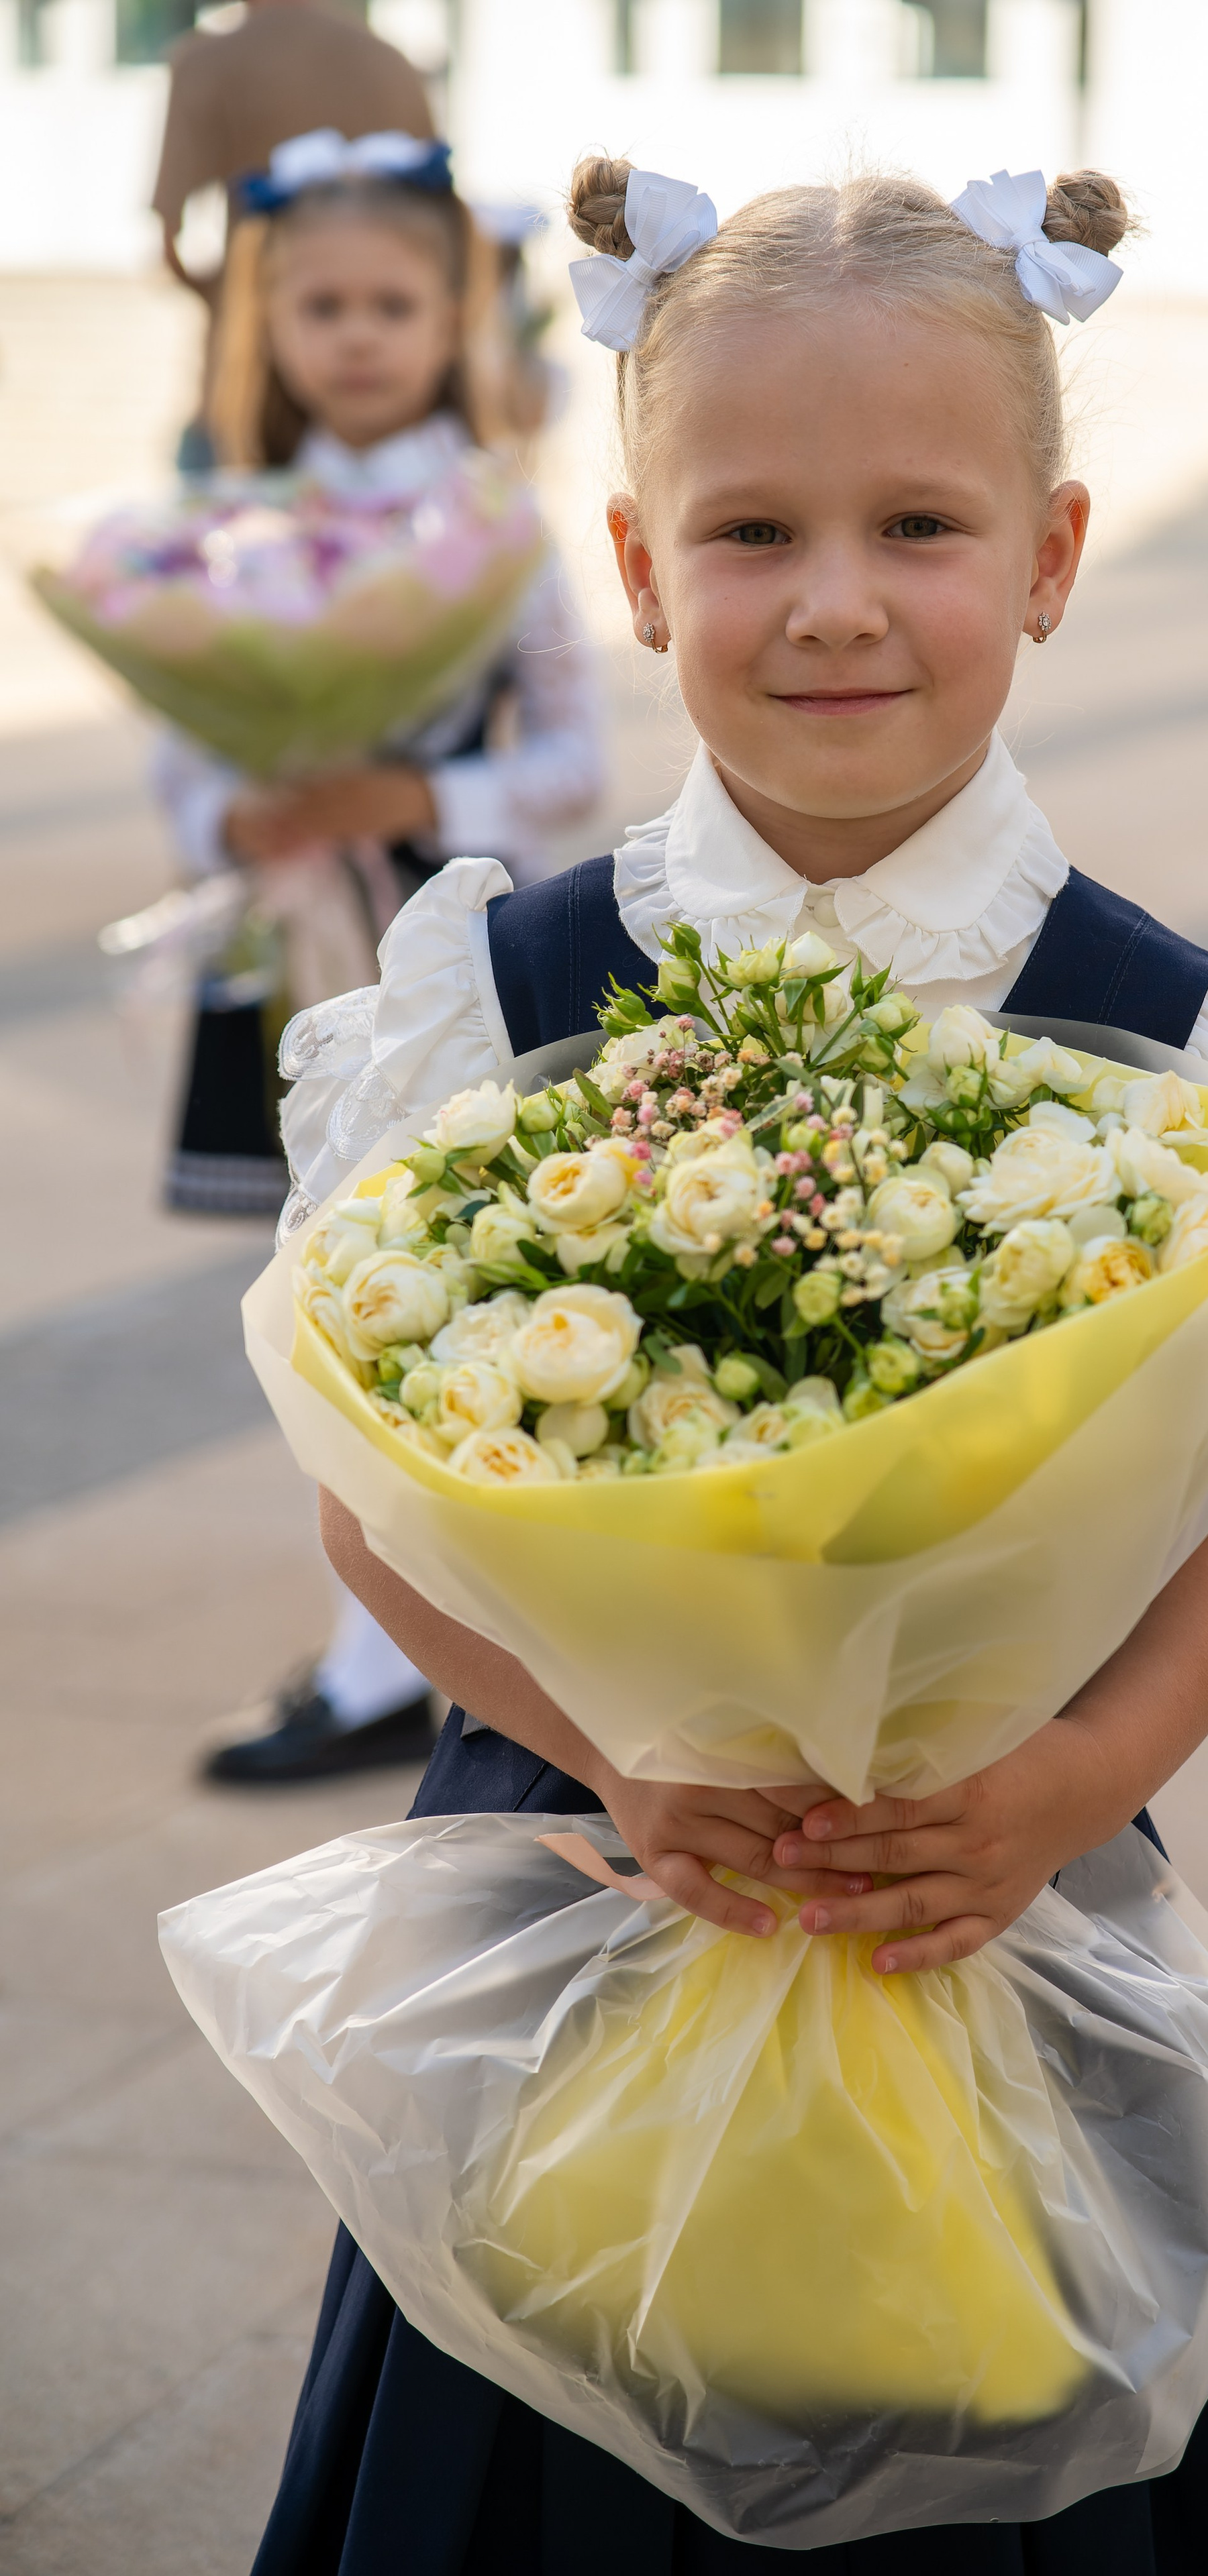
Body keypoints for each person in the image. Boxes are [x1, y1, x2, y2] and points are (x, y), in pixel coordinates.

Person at [250, 156, 1208, 2570]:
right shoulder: (489, 997)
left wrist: (1059, 1784)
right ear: (634, 562)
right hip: (591, 1861)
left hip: (986, 1871)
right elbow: (374, 1500)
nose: (833, 603)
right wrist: (624, 1753)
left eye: (916, 526)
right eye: (751, 533)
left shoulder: (1173, 1040)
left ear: (1050, 555)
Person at [171, 133, 607, 1784]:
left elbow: (573, 757)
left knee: (435, 1273)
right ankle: (380, 1649)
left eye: (392, 304)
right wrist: (241, 809)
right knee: (317, 1278)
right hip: (299, 926)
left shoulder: (490, 518)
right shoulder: (228, 522)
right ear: (266, 325)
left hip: (448, 939)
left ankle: (424, 1652)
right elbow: (180, 762)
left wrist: (415, 794)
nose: (356, 337)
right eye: (322, 307)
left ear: (456, 319)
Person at [152, 0, 434, 469]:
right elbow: (440, 220)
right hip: (395, 414)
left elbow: (170, 240)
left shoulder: (209, 60)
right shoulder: (389, 61)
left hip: (246, 384)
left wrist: (234, 299)